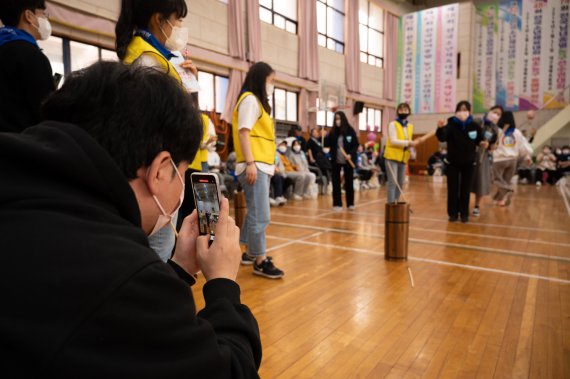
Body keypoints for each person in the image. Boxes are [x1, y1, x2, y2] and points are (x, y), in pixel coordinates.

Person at [0, 62, 261, 377]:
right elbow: (231, 369)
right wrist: (222, 284)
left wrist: (176, 269)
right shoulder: (118, 275)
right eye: (182, 170)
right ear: (161, 169)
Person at [115, 0, 199, 261]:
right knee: (157, 249)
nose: (181, 27)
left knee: (158, 247)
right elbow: (155, 122)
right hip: (157, 173)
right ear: (158, 20)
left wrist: (192, 89)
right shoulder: (149, 61)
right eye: (177, 20)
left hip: (161, 170)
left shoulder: (158, 59)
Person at [232, 61, 284, 279]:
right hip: (254, 165)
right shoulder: (250, 100)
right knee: (260, 215)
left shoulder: (256, 103)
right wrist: (251, 163)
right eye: (270, 81)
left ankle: (247, 254)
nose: (271, 85)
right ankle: (259, 260)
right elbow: (244, 133)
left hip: (261, 165)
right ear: (261, 79)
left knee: (254, 212)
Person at [0, 0, 55, 133]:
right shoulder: (31, 56)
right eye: (43, 14)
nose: (46, 19)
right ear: (29, 16)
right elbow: (47, 112)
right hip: (20, 146)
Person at [436, 101, 488, 223]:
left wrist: (483, 143)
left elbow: (479, 140)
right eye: (460, 109)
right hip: (452, 162)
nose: (462, 112)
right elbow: (442, 137)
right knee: (453, 189)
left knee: (466, 189)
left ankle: (464, 214)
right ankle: (452, 214)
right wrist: (439, 128)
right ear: (456, 111)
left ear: (469, 111)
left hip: (469, 163)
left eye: (465, 109)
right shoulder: (450, 125)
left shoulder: (475, 126)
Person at [383, 103, 422, 203]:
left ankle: (396, 203)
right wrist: (409, 142)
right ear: (397, 112)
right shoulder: (393, 124)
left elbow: (407, 142)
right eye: (401, 110)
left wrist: (411, 149)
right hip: (391, 157)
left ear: (409, 112)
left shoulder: (410, 126)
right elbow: (393, 141)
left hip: (403, 158)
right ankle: (391, 206)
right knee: (392, 182)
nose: (403, 112)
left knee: (400, 183)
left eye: (405, 110)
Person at [491, 111, 532, 205]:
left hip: (499, 159)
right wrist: (527, 156)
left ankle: (507, 191)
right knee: (505, 181)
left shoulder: (497, 130)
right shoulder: (517, 132)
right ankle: (500, 200)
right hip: (513, 160)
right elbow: (523, 146)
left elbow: (490, 141)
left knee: (497, 180)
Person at [470, 105, 502, 217]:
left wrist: (492, 146)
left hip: (483, 158)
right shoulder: (477, 121)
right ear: (489, 111)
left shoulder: (495, 129)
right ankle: (462, 204)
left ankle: (477, 206)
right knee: (466, 181)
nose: (495, 115)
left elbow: (493, 145)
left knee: (480, 182)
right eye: (494, 112)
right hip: (470, 154)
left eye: (498, 114)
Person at [324, 111, 359, 211]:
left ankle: (350, 203)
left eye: (339, 118)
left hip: (348, 160)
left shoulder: (350, 130)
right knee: (336, 183)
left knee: (349, 182)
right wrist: (324, 136)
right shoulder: (333, 132)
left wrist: (350, 154)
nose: (337, 121)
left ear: (343, 119)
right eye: (336, 119)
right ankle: (337, 204)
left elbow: (355, 145)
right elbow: (327, 144)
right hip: (336, 161)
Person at [307, 127, 332, 192]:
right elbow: (309, 149)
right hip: (316, 158)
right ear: (311, 133)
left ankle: (329, 183)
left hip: (322, 157)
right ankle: (327, 184)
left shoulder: (318, 141)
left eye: (316, 132)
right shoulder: (310, 141)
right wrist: (311, 157)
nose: (316, 133)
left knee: (329, 167)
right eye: (314, 132)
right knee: (324, 168)